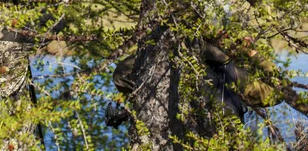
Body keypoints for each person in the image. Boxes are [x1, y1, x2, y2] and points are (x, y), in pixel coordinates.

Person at [106, 39, 281, 127]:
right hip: (195, 113)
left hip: (216, 118)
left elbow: (278, 91)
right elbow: (122, 74)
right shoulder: (211, 58)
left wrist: (251, 52)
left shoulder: (236, 72)